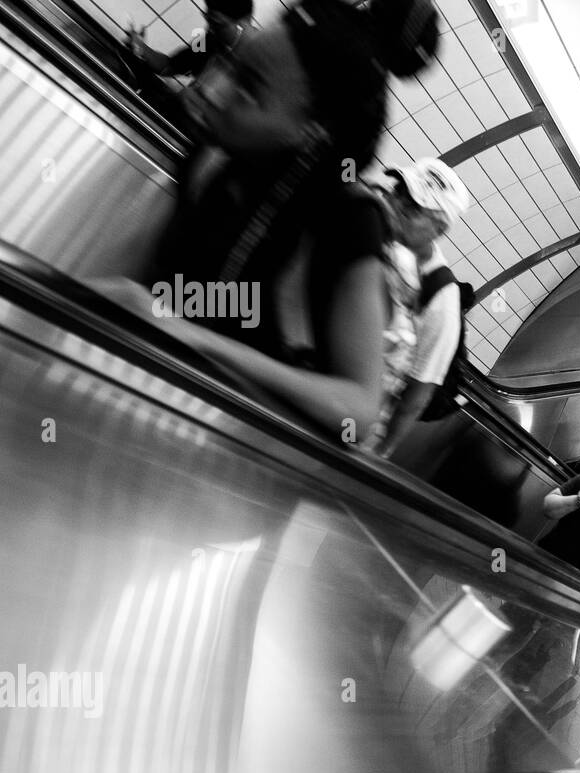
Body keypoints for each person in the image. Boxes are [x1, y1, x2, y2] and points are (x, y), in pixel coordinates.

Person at [96, 0, 444, 441]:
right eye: (233, 67)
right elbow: (168, 285)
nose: (214, 90)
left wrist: (191, 338)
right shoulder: (214, 159)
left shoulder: (347, 221)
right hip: (153, 403)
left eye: (248, 87)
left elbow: (357, 410)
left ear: (312, 130)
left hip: (253, 453)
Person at [365, 158, 473, 456]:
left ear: (438, 230)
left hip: (355, 417)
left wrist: (380, 453)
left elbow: (418, 392)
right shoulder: (371, 231)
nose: (395, 204)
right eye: (398, 191)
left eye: (412, 207)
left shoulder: (441, 296)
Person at [126, 0, 253, 80]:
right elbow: (169, 66)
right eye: (207, 17)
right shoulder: (207, 42)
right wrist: (141, 47)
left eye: (216, 22)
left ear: (242, 23)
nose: (210, 26)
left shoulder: (256, 55)